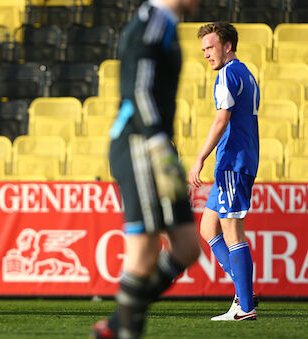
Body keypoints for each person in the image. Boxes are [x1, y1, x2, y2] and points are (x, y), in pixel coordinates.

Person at [90, 0, 202, 338]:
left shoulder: (163, 23)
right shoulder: (152, 22)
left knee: (187, 247)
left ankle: (114, 324)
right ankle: (124, 331)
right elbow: (137, 91)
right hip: (140, 145)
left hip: (156, 146)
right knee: (144, 253)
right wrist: (157, 146)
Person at [188, 22, 259, 321]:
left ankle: (245, 306)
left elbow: (221, 120)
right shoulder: (245, 72)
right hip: (233, 161)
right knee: (208, 228)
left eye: (211, 47)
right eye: (203, 48)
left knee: (231, 230)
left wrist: (200, 157)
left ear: (227, 45)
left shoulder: (228, 74)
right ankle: (245, 293)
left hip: (233, 160)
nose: (206, 54)